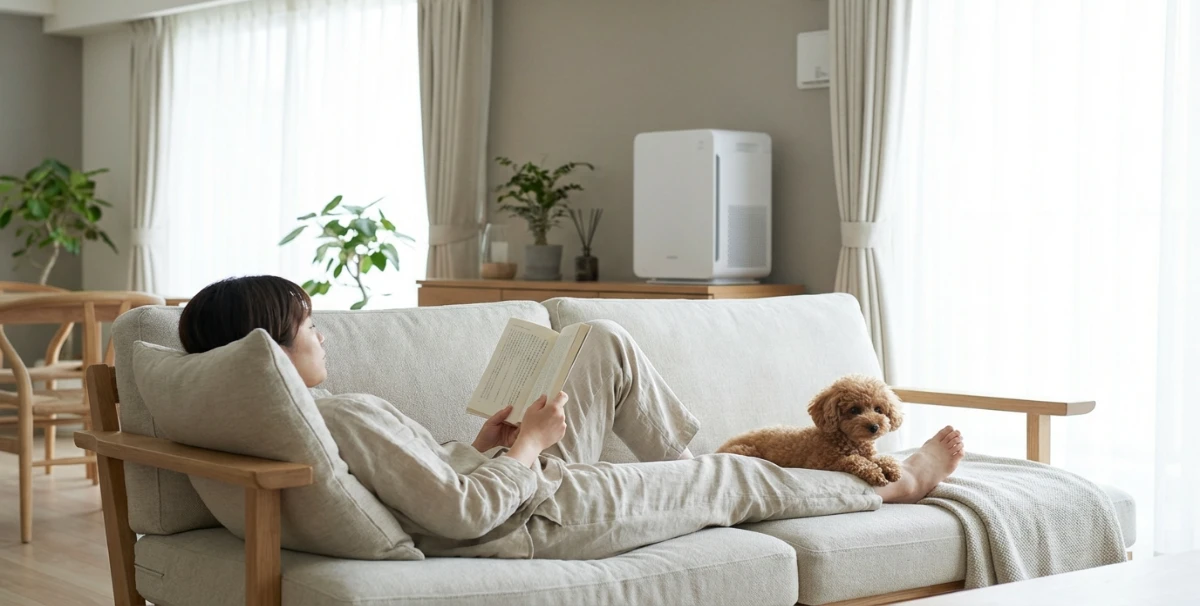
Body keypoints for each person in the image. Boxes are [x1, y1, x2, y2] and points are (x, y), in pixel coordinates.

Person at [178, 275, 966, 560]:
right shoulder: (339, 414)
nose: (322, 334)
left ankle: (679, 481)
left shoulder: (309, 412)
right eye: (309, 326)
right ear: (271, 346)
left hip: (519, 483)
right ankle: (893, 488)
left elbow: (443, 483)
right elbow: (461, 514)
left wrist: (488, 442)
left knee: (599, 342)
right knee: (738, 475)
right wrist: (529, 446)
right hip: (538, 515)